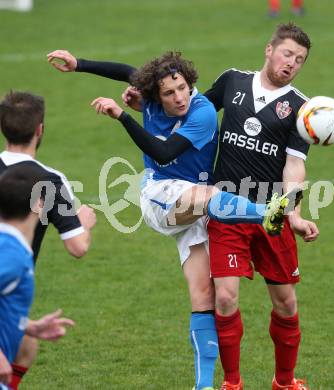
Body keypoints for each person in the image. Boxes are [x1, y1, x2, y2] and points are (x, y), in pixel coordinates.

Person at [46, 50, 290, 390]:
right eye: (169, 93)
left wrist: (124, 113)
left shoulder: (202, 111)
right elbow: (131, 84)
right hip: (160, 194)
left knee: (204, 294)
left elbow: (165, 145)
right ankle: (266, 214)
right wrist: (81, 67)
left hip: (194, 207)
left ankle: (203, 385)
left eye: (183, 88)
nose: (180, 97)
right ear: (155, 94)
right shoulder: (147, 96)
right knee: (205, 198)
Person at [197, 23, 319, 390]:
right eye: (286, 54)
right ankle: (232, 383)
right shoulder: (232, 81)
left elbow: (294, 167)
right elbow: (194, 112)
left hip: (271, 216)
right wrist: (148, 106)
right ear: (269, 50)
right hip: (227, 211)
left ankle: (284, 382)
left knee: (286, 304)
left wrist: (293, 213)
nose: (291, 64)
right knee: (225, 298)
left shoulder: (301, 109)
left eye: (299, 60)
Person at [0, 91, 97, 389]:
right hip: (11, 275)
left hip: (12, 287)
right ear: (40, 129)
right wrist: (84, 222)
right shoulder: (48, 180)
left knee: (27, 340)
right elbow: (78, 246)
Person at [0, 164, 74, 390]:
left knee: (28, 346)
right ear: (38, 206)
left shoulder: (12, 246)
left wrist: (28, 326)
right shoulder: (11, 254)